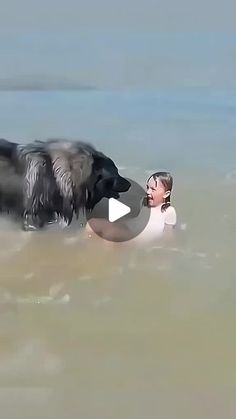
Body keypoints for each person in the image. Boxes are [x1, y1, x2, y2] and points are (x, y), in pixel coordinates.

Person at [85, 171, 177, 244]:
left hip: (138, 239)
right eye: (148, 187)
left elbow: (168, 236)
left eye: (153, 189)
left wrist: (166, 250)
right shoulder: (144, 202)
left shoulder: (169, 211)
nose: (148, 192)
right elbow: (138, 218)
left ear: (166, 194)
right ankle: (84, 247)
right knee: (92, 223)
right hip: (131, 228)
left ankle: (106, 260)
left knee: (109, 234)